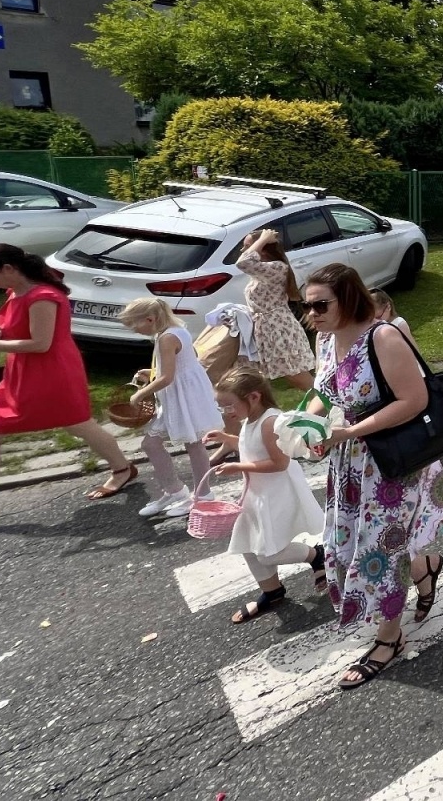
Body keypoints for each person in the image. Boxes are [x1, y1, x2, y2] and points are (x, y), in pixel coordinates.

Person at [305, 263, 443, 689]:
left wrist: (350, 432)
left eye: (320, 305)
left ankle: (390, 638)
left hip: (390, 463)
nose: (311, 314)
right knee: (355, 541)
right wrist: (308, 424)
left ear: (348, 298)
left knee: (381, 549)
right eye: (307, 306)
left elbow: (414, 400)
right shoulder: (326, 339)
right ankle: (425, 567)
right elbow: (323, 391)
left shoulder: (383, 336)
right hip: (350, 461)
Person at [0, 244, 136, 540]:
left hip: (52, 374)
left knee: (78, 425)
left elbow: (40, 343)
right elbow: (18, 330)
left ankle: (122, 469)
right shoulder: (16, 292)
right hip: (21, 374)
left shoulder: (42, 296)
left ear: (8, 268)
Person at [212, 366, 327, 624]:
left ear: (254, 397)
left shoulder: (270, 422)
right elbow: (251, 446)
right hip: (258, 493)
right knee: (246, 543)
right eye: (222, 407)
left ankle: (315, 555)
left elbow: (279, 463)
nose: (226, 412)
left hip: (276, 493)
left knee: (268, 552)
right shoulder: (251, 419)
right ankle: (271, 591)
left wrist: (238, 466)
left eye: (229, 405)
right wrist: (227, 438)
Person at [119, 298, 221, 519]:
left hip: (184, 396)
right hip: (182, 392)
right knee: (152, 443)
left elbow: (167, 377)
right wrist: (151, 372)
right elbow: (182, 362)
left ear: (150, 319)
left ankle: (202, 494)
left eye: (135, 325)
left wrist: (140, 393)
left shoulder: (167, 337)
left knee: (193, 443)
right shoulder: (173, 331)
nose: (135, 331)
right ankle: (175, 491)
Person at [234, 230, 317, 390]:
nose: (243, 250)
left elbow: (243, 263)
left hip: (278, 328)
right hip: (267, 328)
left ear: (263, 249)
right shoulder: (263, 270)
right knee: (282, 374)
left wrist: (263, 238)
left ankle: (326, 401)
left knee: (296, 374)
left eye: (247, 246)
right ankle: (320, 400)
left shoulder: (278, 268)